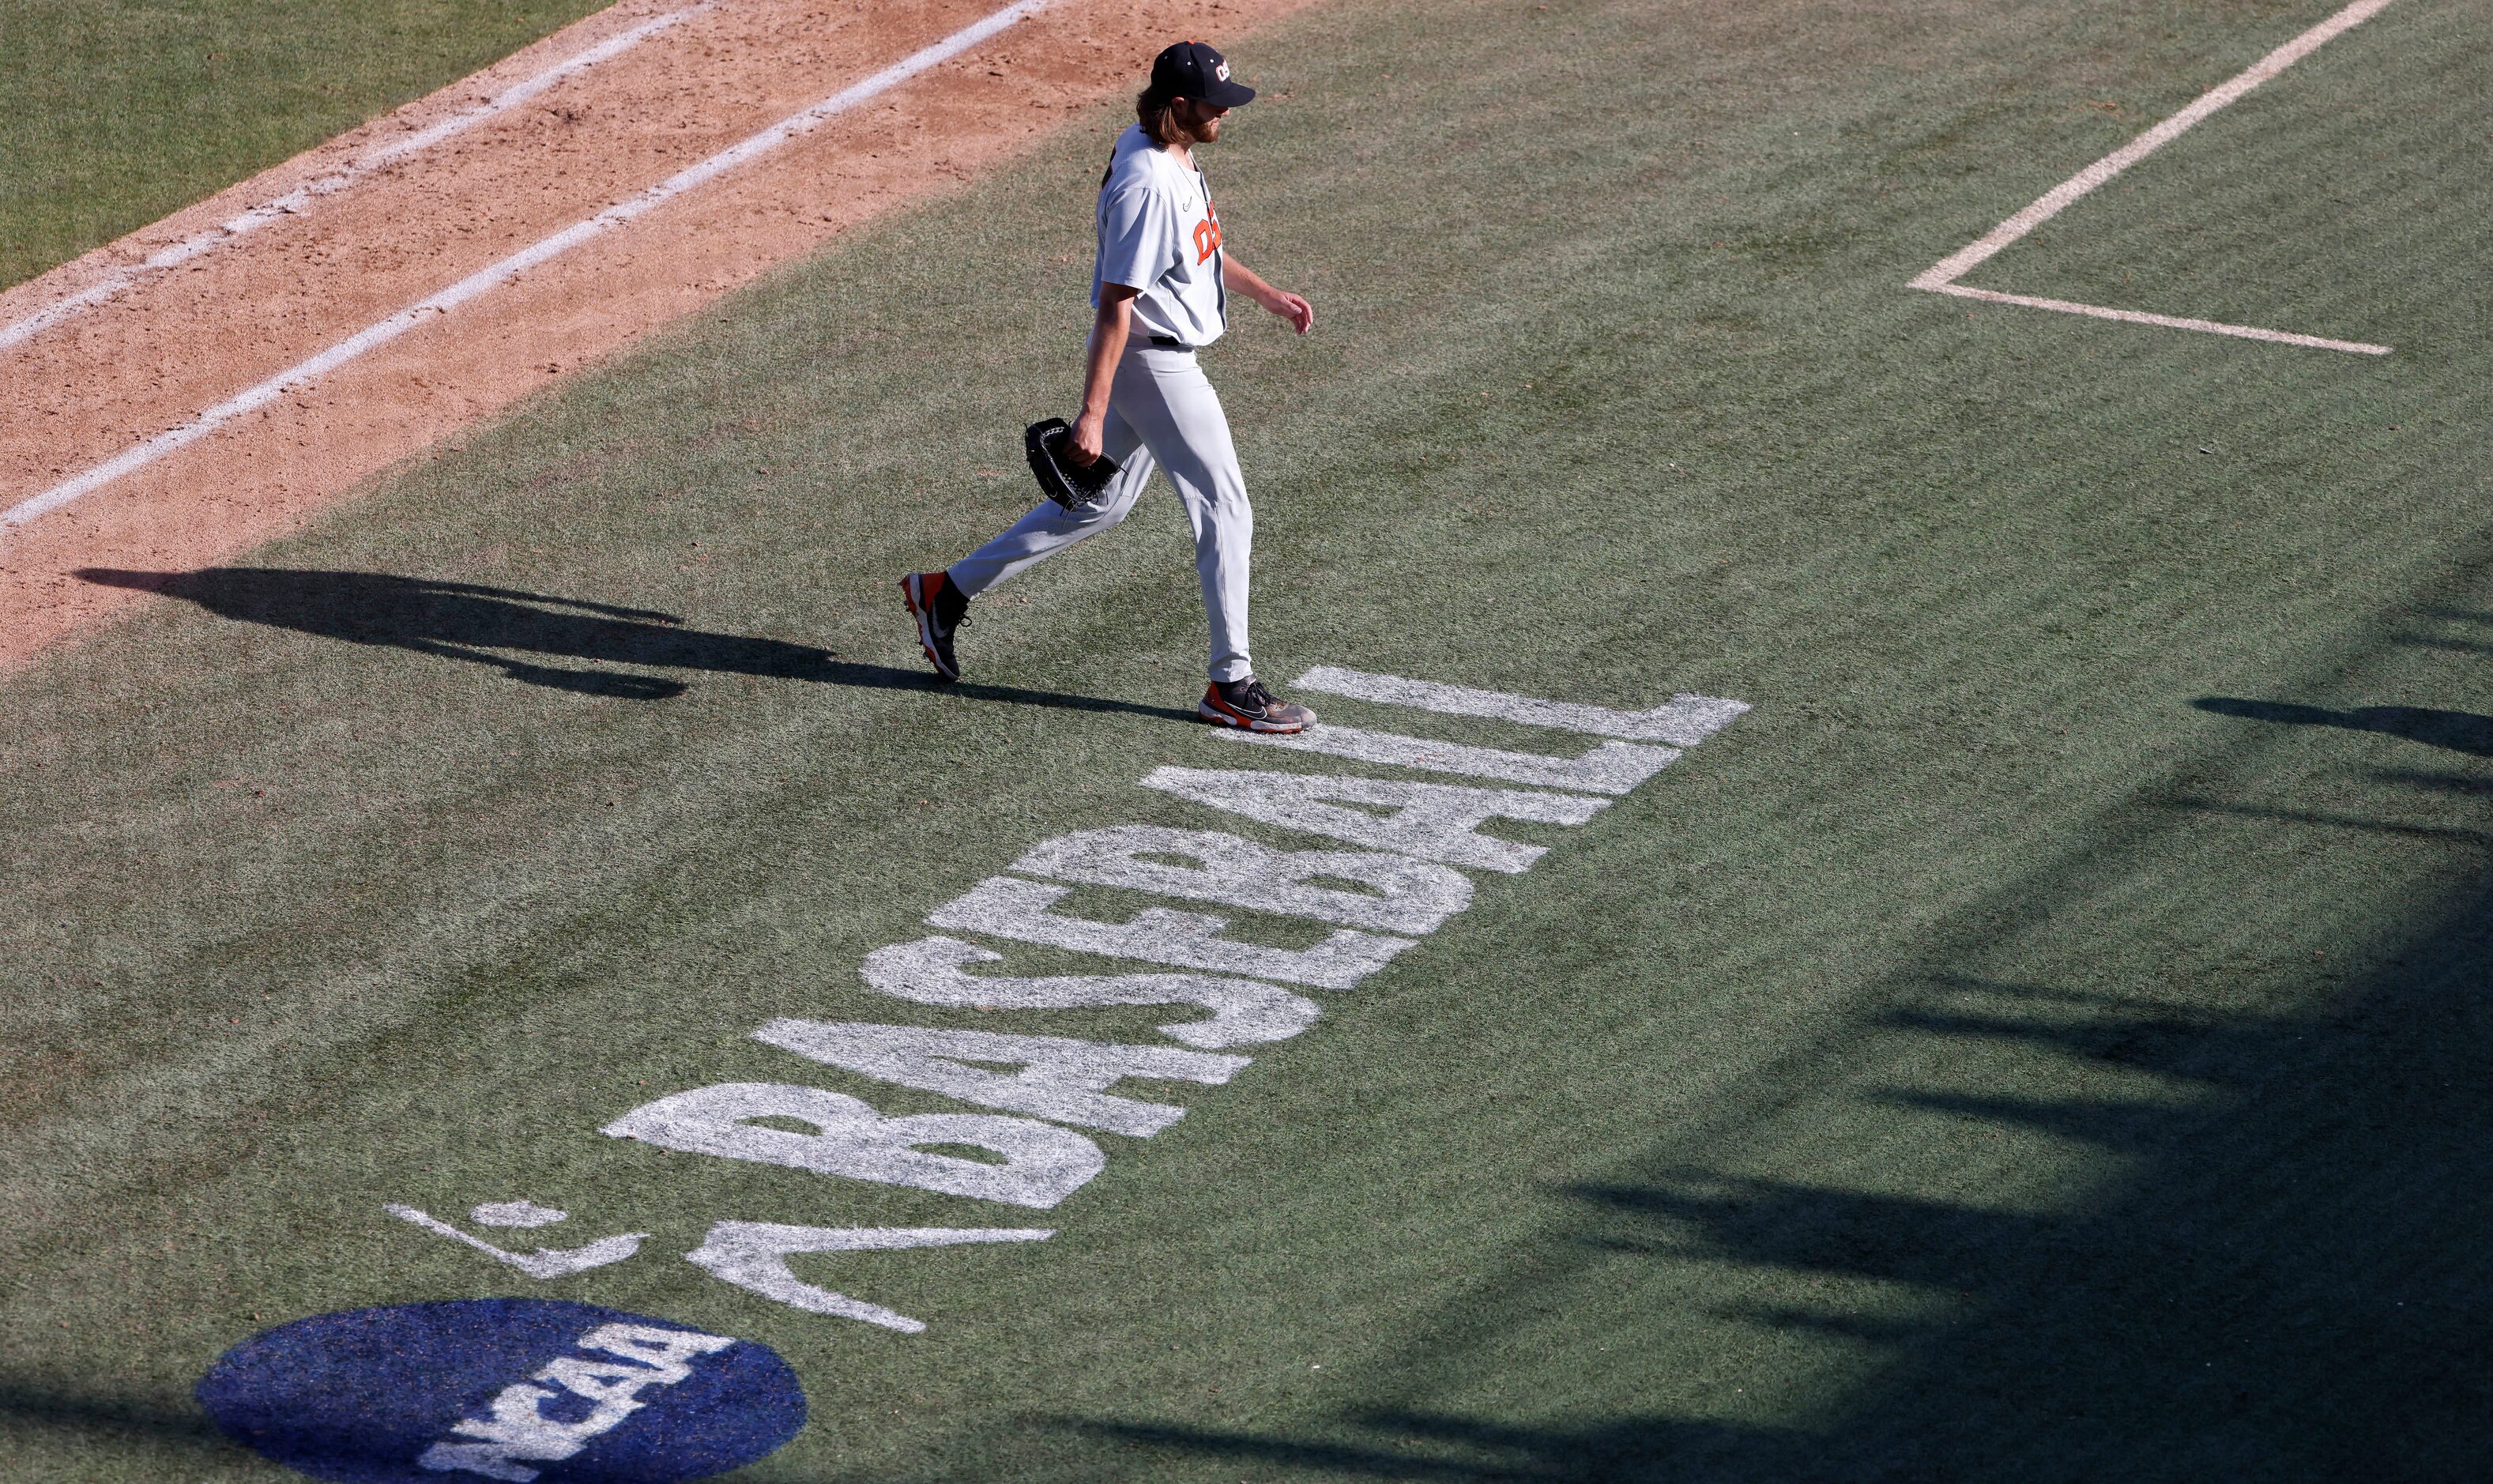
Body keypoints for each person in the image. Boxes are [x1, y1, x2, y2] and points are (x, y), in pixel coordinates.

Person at [900, 40, 1318, 733]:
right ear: (1178, 107)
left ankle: (946, 591)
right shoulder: (1145, 184)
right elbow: (1113, 305)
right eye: (1214, 105)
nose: (1225, 113)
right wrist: (1091, 415)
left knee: (1100, 505)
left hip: (1156, 356)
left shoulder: (1161, 147)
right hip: (1155, 364)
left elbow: (1199, 247)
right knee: (1226, 507)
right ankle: (1231, 684)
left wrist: (1265, 294)